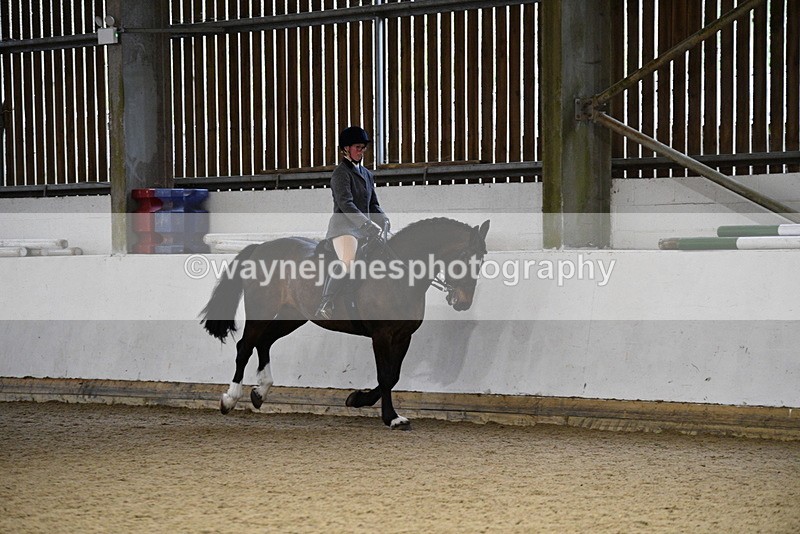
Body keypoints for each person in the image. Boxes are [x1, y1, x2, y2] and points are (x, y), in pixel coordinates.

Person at [315, 126, 390, 320]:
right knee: (348, 261)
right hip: (344, 228)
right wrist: (366, 224)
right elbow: (345, 204)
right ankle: (326, 302)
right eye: (358, 147)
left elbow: (373, 204)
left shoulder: (367, 174)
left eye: (363, 148)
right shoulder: (340, 174)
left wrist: (384, 220)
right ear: (346, 149)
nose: (361, 151)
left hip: (364, 228)